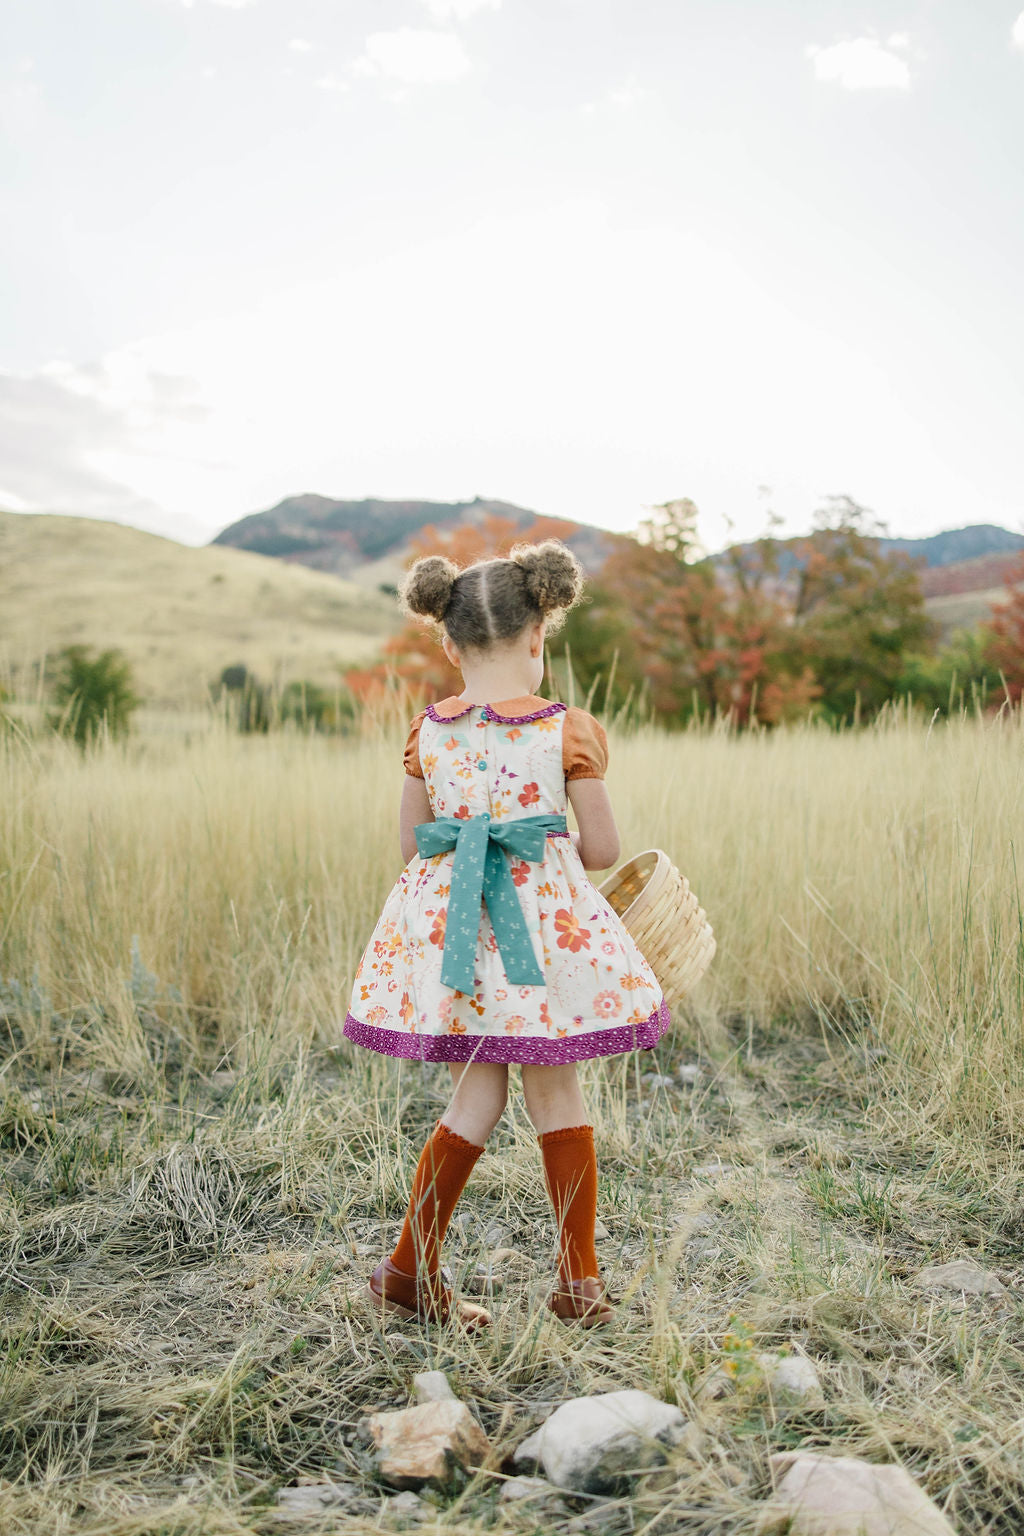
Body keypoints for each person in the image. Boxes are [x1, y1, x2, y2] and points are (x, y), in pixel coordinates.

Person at [343, 539, 668, 1328]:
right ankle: (578, 1285)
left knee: (475, 1095)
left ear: (448, 644)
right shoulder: (567, 730)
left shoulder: (428, 731)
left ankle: (408, 1270)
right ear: (538, 637)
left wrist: (472, 835)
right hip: (538, 943)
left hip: (458, 938)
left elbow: (412, 842)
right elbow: (601, 853)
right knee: (558, 1089)